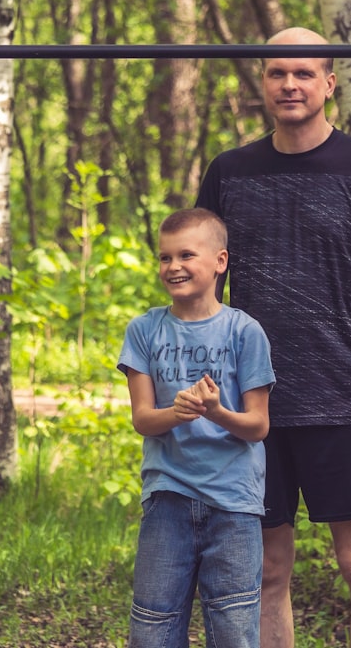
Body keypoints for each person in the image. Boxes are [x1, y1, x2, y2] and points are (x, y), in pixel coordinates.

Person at [195, 27, 351, 648]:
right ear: (263, 83)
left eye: (302, 73)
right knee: (267, 570)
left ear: (328, 84)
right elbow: (199, 286)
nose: (288, 84)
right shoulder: (229, 172)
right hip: (250, 407)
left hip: (345, 402)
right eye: (275, 73)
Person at [117, 207, 277, 648]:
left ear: (220, 261)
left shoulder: (245, 332)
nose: (174, 267)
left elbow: (258, 425)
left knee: (233, 630)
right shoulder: (144, 330)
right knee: (153, 627)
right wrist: (180, 411)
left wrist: (215, 412)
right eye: (165, 258)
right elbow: (143, 419)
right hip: (167, 497)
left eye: (186, 255)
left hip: (235, 505)